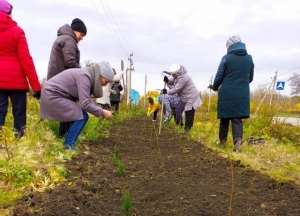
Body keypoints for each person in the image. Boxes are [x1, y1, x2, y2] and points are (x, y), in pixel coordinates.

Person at [40, 61, 114, 150]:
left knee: (72, 112)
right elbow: (85, 104)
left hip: (54, 94)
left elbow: (87, 100)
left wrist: (100, 110)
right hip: (52, 94)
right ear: (100, 76)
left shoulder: (87, 75)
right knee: (82, 116)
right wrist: (102, 111)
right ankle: (69, 145)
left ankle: (63, 137)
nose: (106, 84)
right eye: (106, 81)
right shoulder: (85, 76)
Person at [0, 0, 41, 139]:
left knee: (0, 111)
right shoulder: (17, 31)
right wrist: (36, 86)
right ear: (9, 14)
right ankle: (19, 141)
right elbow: (26, 60)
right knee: (19, 112)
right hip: (16, 80)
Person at [209, 35, 254, 152]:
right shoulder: (249, 58)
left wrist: (215, 87)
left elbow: (219, 76)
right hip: (242, 93)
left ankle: (222, 142)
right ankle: (237, 141)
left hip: (227, 92)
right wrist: (241, 84)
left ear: (229, 46)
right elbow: (250, 78)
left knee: (225, 118)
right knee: (237, 119)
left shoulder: (226, 58)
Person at [47, 18, 87, 138]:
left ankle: (66, 135)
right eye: (82, 34)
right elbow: (70, 62)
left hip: (58, 80)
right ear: (75, 31)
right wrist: (82, 73)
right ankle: (64, 136)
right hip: (61, 83)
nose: (82, 38)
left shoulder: (64, 38)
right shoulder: (69, 40)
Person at [163, 64, 202, 132]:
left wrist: (167, 91)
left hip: (191, 97)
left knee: (189, 112)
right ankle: (185, 128)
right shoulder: (178, 76)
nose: (172, 76)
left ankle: (188, 130)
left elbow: (176, 89)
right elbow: (174, 81)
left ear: (177, 72)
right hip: (185, 97)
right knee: (182, 111)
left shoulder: (184, 77)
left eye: (173, 74)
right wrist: (168, 81)